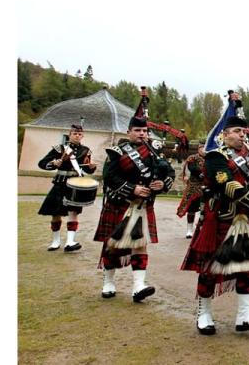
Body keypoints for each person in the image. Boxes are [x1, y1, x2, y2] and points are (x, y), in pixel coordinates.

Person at [181, 113, 249, 335]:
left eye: (244, 132)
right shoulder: (216, 157)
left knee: (248, 268)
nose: (242, 135)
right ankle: (204, 313)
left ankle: (245, 315)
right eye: (237, 131)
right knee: (210, 269)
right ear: (224, 135)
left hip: (245, 219)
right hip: (221, 218)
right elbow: (228, 185)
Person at [94, 114, 175, 302]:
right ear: (129, 132)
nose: (142, 134)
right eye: (138, 130)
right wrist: (133, 189)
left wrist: (162, 184)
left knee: (140, 244)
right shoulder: (117, 151)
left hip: (142, 206)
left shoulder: (154, 152)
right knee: (112, 246)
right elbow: (109, 177)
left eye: (145, 131)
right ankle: (108, 282)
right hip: (120, 204)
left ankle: (139, 286)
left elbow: (169, 172)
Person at [37, 122, 97, 251]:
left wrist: (92, 167)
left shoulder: (85, 151)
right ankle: (56, 241)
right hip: (60, 183)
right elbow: (42, 163)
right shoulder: (59, 149)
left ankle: (70, 242)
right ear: (69, 135)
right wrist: (53, 163)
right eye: (74, 133)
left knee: (73, 212)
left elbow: (88, 169)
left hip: (76, 184)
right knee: (55, 213)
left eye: (79, 134)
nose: (77, 136)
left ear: (83, 136)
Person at [177, 144, 206, 238]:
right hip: (193, 186)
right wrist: (202, 173)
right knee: (191, 209)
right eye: (202, 148)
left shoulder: (211, 158)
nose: (204, 150)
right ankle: (189, 230)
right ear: (199, 149)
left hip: (206, 186)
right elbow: (192, 168)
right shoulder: (192, 158)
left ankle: (201, 229)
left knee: (205, 209)